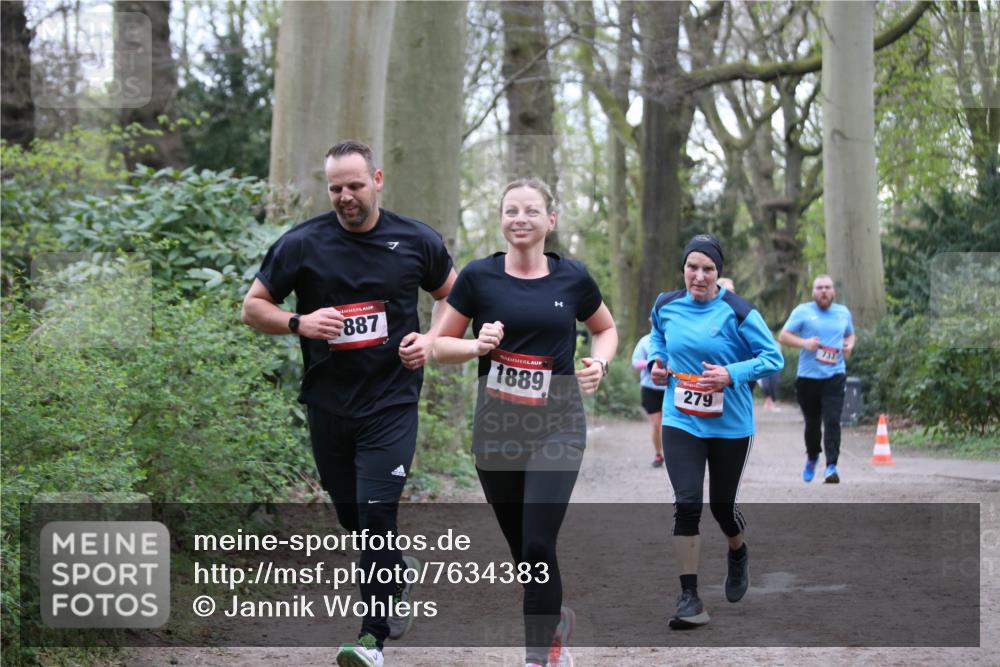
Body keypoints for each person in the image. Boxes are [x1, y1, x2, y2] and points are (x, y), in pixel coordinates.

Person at [241, 140, 457, 667]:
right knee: (353, 516)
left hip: (392, 402)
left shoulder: (417, 240)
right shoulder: (302, 244)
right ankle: (397, 570)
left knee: (376, 515)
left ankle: (370, 638)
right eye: (336, 188)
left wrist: (431, 340)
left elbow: (454, 295)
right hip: (329, 404)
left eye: (355, 185)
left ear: (377, 180)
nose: (345, 197)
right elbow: (253, 307)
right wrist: (299, 322)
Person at [433, 178, 618, 667]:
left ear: (550, 221)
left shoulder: (573, 278)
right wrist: (476, 345)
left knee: (538, 542)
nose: (521, 219)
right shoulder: (478, 278)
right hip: (496, 431)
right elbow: (439, 346)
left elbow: (605, 328)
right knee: (526, 553)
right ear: (501, 219)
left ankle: (538, 657)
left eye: (531, 211)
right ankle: (554, 621)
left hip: (559, 425)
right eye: (511, 210)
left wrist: (600, 363)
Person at [648, 233, 783, 629]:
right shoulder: (665, 305)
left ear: (719, 274)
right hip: (681, 419)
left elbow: (773, 358)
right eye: (692, 267)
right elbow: (658, 337)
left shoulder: (738, 311)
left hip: (730, 425)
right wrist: (658, 361)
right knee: (687, 502)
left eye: (708, 269)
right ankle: (689, 597)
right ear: (683, 269)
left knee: (722, 507)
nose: (699, 276)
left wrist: (731, 374)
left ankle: (738, 551)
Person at [778, 275, 856, 484]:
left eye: (827, 287)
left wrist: (849, 345)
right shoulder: (802, 311)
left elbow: (850, 334)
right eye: (819, 288)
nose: (824, 291)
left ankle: (831, 467)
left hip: (835, 376)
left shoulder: (843, 312)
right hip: (808, 377)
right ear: (813, 292)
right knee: (812, 424)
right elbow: (783, 336)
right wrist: (804, 343)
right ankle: (813, 456)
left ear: (833, 291)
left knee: (832, 421)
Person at [631, 325, 666, 467]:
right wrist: (651, 364)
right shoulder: (645, 341)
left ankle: (672, 455)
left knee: (669, 425)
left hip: (670, 388)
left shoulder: (674, 338)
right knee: (656, 424)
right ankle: (659, 454)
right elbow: (635, 362)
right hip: (650, 388)